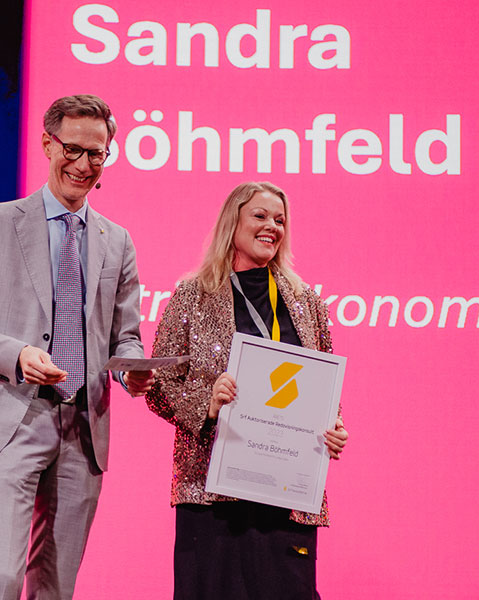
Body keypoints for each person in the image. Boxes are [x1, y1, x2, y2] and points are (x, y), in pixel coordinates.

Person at [0, 94, 155, 600]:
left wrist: (131, 370)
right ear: (47, 143)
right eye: (73, 149)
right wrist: (17, 355)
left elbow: (124, 336)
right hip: (14, 415)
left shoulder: (117, 240)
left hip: (83, 426)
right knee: (1, 577)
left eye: (96, 154)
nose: (83, 165)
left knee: (55, 589)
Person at [145, 181, 350, 599]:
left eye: (280, 220)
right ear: (233, 221)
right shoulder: (193, 296)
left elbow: (323, 387)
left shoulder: (306, 302)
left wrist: (334, 426)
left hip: (286, 494)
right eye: (260, 215)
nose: (272, 226)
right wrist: (207, 404)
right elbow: (159, 384)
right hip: (211, 493)